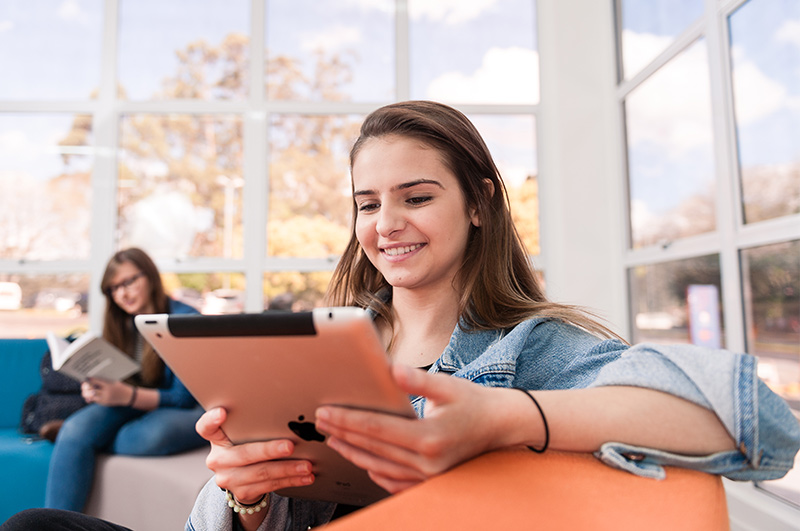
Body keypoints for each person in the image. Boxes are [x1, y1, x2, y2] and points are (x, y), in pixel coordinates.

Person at [3, 102, 798, 531]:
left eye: (417, 196)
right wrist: (243, 496)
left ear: (481, 201)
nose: (387, 223)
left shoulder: (533, 345)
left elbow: (761, 421)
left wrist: (501, 416)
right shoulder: (324, 336)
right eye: (367, 203)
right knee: (40, 526)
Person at [43, 247, 207, 512]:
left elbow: (182, 397)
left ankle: (85, 441)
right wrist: (97, 386)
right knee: (74, 431)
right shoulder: (121, 322)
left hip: (186, 407)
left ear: (150, 277)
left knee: (146, 437)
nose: (122, 293)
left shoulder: (185, 319)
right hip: (132, 401)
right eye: (113, 288)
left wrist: (126, 396)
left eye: (129, 282)